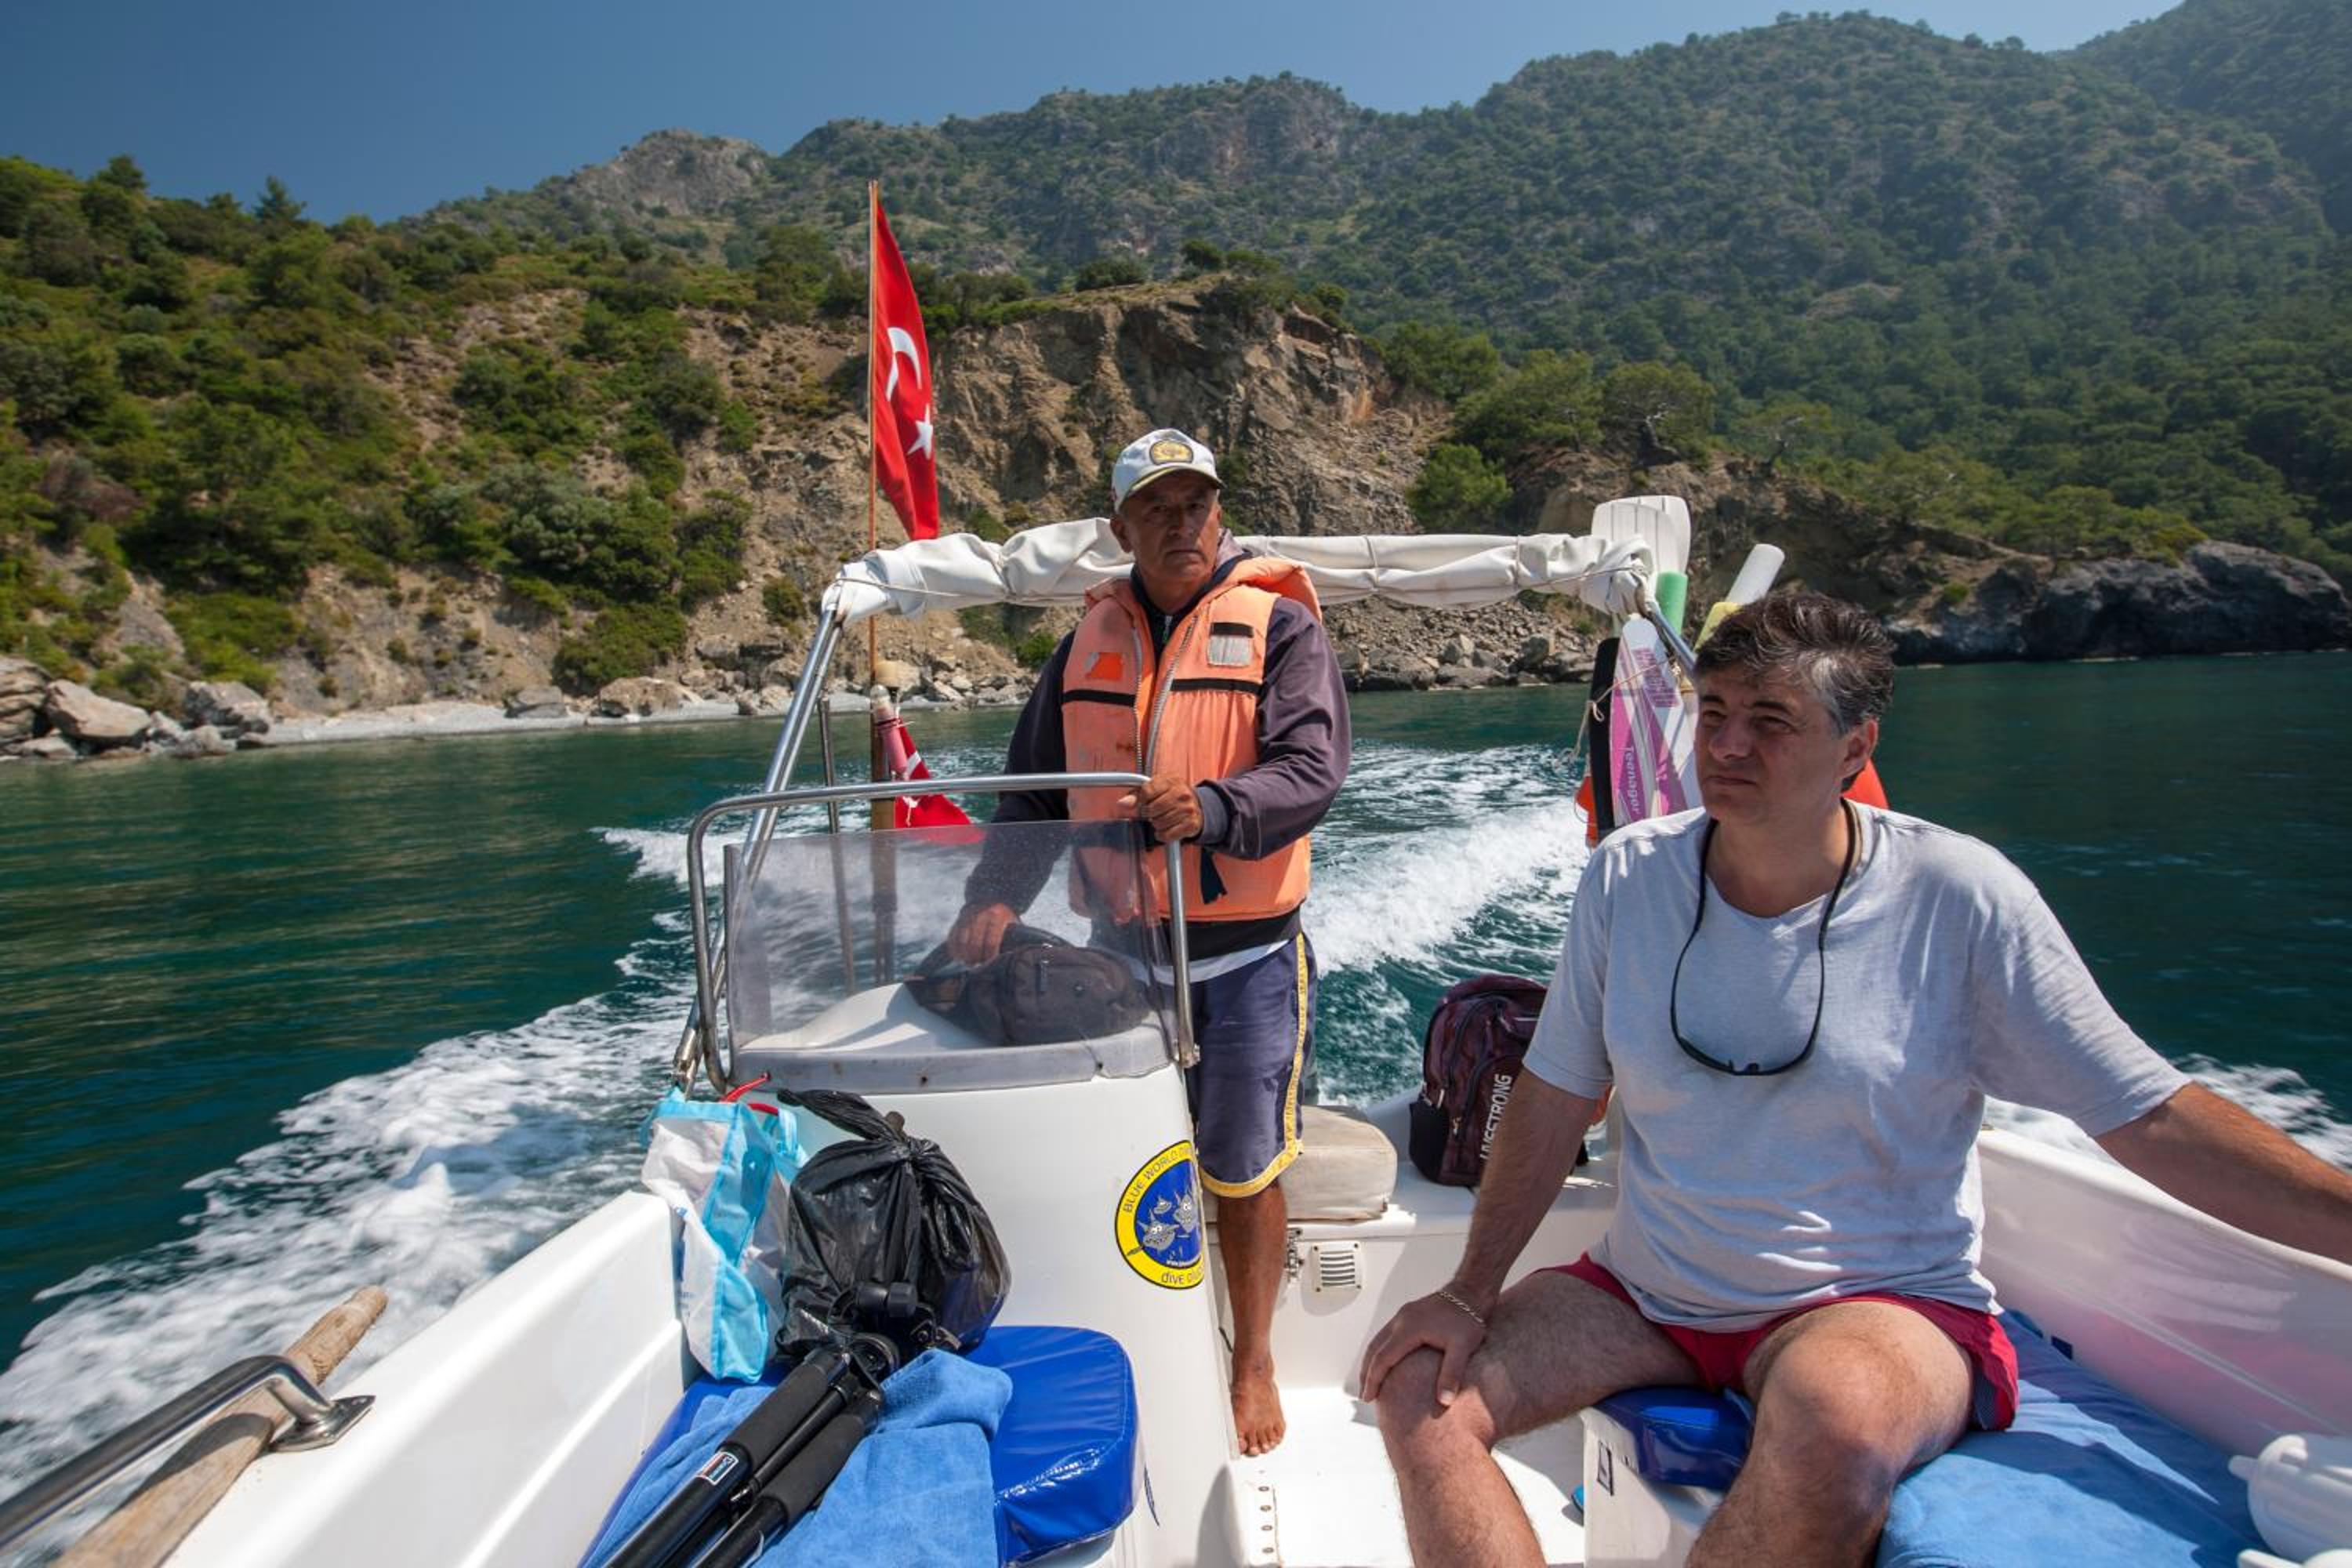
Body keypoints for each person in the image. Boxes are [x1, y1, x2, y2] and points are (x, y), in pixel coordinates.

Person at [1359, 592, 2352, 1566]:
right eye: (1715, 712)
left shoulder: (1959, 897)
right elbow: (1554, 1095)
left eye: (1771, 720)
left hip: (1879, 1303)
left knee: (1834, 1418)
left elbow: (2151, 1115)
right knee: (1419, 1388)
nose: (1728, 745)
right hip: (1649, 1292)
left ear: (1854, 748)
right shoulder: (1630, 875)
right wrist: (1469, 1293)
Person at [948, 427, 1348, 1455]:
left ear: (1220, 513)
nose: (1182, 524)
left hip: (1247, 960)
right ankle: (1134, 1330)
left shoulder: (1282, 629)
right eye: (1158, 509)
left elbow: (1314, 769)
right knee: (1123, 1153)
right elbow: (1035, 788)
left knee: (1241, 1165)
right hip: (1119, 954)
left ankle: (1252, 1358)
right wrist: (994, 897)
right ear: (1121, 527)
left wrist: (1214, 808)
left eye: (1196, 504)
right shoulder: (1084, 642)